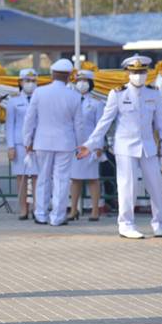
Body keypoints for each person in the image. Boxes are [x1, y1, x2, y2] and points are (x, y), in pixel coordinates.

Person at [78, 55, 162, 239]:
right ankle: (126, 224)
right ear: (128, 73)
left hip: (148, 147)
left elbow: (161, 125)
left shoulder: (154, 93)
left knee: (157, 186)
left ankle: (159, 223)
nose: (139, 75)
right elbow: (104, 122)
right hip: (125, 146)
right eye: (135, 72)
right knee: (128, 186)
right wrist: (90, 144)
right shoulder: (118, 94)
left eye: (142, 72)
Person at [23, 58, 83, 226]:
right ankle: (57, 217)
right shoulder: (74, 96)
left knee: (43, 178)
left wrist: (27, 140)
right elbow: (79, 124)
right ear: (69, 76)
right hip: (65, 142)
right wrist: (81, 145)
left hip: (42, 141)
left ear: (52, 74)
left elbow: (30, 119)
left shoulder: (39, 92)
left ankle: (40, 214)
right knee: (62, 180)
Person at [68, 70, 106, 221]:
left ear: (90, 83)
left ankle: (95, 211)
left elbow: (100, 127)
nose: (81, 83)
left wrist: (98, 146)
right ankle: (73, 210)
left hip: (90, 145)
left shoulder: (97, 103)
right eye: (79, 80)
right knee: (75, 179)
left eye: (85, 80)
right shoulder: (71, 101)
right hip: (74, 145)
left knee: (92, 179)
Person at [5, 68, 39, 220]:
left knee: (37, 176)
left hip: (38, 142)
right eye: (27, 80)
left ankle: (37, 208)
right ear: (20, 82)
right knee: (22, 177)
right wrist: (10, 146)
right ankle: (23, 209)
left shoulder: (40, 99)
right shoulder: (13, 101)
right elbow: (9, 125)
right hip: (19, 144)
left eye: (33, 81)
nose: (30, 84)